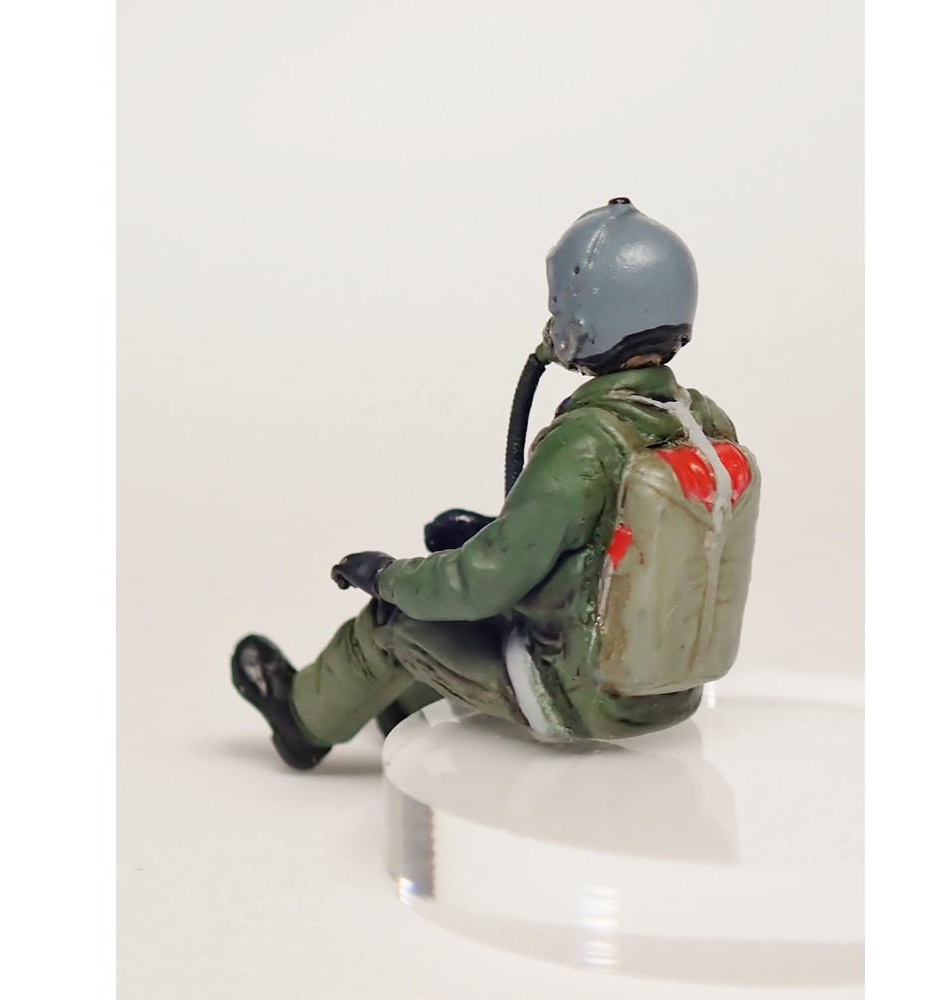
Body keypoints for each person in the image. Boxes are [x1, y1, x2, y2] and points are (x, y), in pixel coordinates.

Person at [231, 198, 760, 770]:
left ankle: (302, 721)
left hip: (573, 697)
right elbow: (614, 549)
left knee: (391, 622)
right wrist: (490, 531)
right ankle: (401, 704)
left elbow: (480, 585)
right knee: (450, 602)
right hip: (670, 698)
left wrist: (385, 577)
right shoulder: (704, 422)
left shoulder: (587, 442)